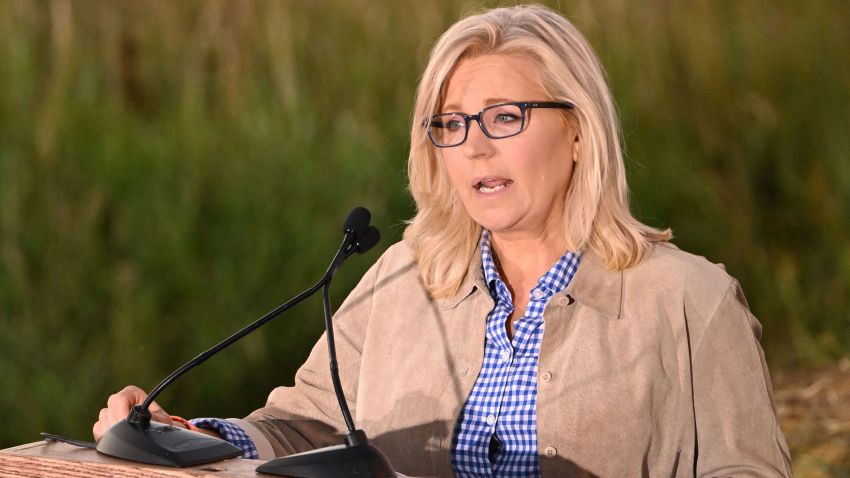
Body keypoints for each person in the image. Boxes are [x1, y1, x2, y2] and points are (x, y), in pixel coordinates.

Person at [93, 5, 792, 477]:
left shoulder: (689, 302)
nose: (475, 147)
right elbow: (305, 428)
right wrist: (190, 436)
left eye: (504, 117)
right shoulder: (401, 281)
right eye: (451, 125)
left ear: (579, 131)